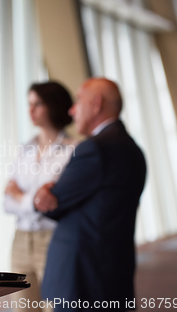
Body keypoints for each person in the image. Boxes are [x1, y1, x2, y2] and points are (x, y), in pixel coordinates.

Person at [34, 78, 147, 312]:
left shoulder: (94, 148)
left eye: (78, 100)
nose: (71, 110)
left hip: (81, 279)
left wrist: (43, 192)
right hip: (113, 273)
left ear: (96, 104)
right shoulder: (134, 150)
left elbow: (50, 204)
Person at [4, 81, 76, 312]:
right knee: (23, 308)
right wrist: (34, 199)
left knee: (55, 307)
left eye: (38, 104)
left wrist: (20, 196)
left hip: (54, 239)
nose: (31, 110)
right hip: (21, 241)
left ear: (54, 106)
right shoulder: (25, 149)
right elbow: (6, 202)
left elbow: (59, 202)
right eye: (29, 104)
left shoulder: (73, 150)